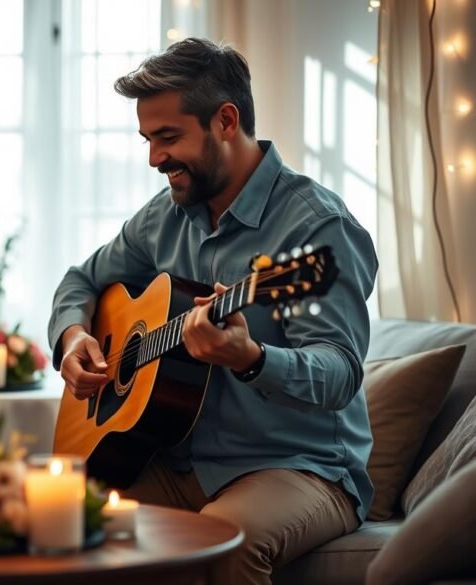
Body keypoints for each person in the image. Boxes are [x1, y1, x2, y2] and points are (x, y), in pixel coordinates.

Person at [48, 38, 377, 584]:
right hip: (169, 457)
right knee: (50, 518)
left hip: (295, 467)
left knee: (223, 542)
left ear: (226, 120)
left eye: (168, 137)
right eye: (148, 139)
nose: (154, 158)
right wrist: (73, 338)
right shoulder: (165, 215)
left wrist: (251, 358)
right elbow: (81, 279)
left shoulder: (318, 229)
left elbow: (340, 371)